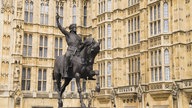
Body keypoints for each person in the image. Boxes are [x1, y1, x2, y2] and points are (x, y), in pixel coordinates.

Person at [56, 13, 84, 78]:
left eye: (75, 27)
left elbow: (81, 45)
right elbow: (61, 28)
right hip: (70, 50)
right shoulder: (68, 34)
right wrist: (57, 20)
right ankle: (65, 72)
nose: (75, 28)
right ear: (71, 29)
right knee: (67, 56)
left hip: (77, 52)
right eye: (74, 27)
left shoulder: (78, 37)